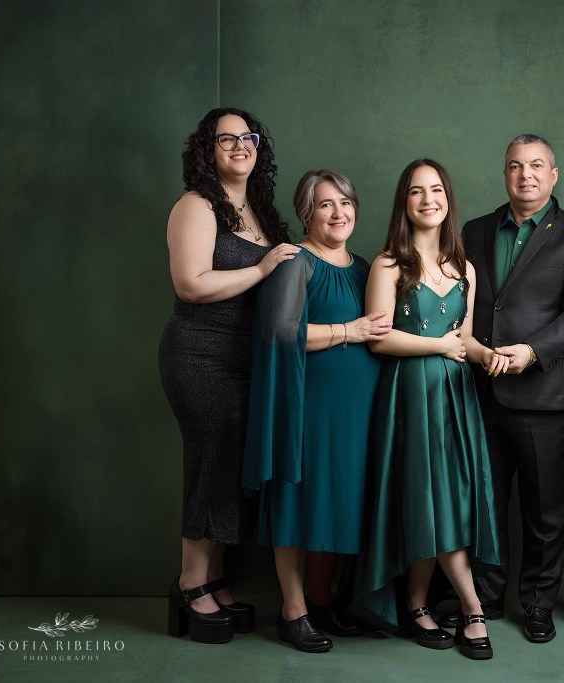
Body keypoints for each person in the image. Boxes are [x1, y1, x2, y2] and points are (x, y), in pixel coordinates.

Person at [454, 134, 564, 643]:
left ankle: (538, 604)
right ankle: (485, 598)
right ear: (504, 174)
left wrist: (533, 351)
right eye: (516, 166)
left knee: (543, 514)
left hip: (544, 395)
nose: (526, 175)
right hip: (479, 389)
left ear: (554, 174)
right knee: (485, 504)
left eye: (537, 166)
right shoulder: (473, 230)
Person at [160, 107, 300, 645]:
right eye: (227, 139)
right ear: (208, 150)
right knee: (211, 460)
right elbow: (191, 285)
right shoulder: (195, 206)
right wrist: (263, 268)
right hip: (198, 353)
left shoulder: (260, 209)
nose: (240, 146)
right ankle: (190, 584)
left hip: (247, 359)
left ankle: (213, 578)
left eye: (248, 137)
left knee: (229, 464)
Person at [357, 160, 504, 660]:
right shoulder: (388, 264)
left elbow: (464, 338)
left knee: (444, 500)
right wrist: (438, 349)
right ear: (404, 202)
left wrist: (490, 356)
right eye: (416, 192)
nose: (428, 200)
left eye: (436, 190)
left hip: (457, 396)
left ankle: (417, 604)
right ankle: (472, 606)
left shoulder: (465, 266)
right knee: (431, 494)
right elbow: (379, 339)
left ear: (448, 199)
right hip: (410, 392)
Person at [242, 169, 391, 653]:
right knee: (298, 500)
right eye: (325, 204)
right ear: (307, 212)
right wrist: (348, 331)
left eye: (344, 203)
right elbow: (281, 334)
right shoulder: (294, 262)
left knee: (334, 500)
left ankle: (322, 598)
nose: (337, 213)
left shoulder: (364, 267)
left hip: (357, 409)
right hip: (310, 405)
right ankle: (293, 610)